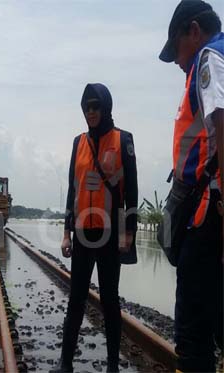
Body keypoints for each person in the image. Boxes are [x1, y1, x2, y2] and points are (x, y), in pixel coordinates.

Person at [158, 1, 224, 371]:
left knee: (192, 333)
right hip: (208, 209)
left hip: (209, 214)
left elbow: (221, 125)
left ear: (194, 31)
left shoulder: (209, 59)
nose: (179, 63)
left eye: (177, 50)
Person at [54, 83, 138, 372]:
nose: (91, 112)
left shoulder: (123, 139)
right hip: (82, 232)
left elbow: (132, 192)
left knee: (110, 301)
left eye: (95, 106)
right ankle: (65, 363)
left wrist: (129, 232)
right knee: (76, 298)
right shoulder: (78, 142)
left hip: (109, 234)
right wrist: (66, 232)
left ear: (106, 107)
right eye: (86, 107)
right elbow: (72, 189)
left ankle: (112, 366)